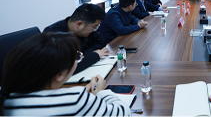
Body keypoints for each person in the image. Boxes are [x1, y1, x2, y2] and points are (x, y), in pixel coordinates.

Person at [0, 32, 131, 117]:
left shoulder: (6, 98)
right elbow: (124, 113)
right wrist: (101, 92)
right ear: (59, 75)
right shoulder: (75, 99)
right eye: (77, 57)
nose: (79, 60)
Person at [44, 3, 111, 74]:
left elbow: (101, 42)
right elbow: (67, 67)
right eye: (94, 27)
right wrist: (95, 55)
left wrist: (83, 56)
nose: (95, 30)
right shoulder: (52, 35)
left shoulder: (87, 29)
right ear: (79, 24)